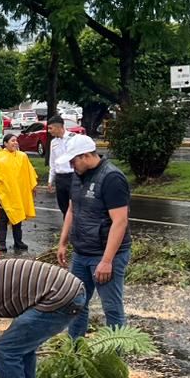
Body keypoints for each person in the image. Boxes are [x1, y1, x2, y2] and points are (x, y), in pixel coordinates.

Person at [56, 135, 130, 339]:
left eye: (74, 161)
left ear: (86, 156)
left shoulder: (111, 178)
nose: (72, 166)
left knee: (112, 308)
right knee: (76, 303)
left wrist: (107, 261)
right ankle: (75, 350)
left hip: (105, 254)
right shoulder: (78, 175)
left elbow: (120, 221)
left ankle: (116, 358)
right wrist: (63, 242)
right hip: (81, 253)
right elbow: (72, 209)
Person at [0, 133, 37, 253]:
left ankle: (18, 241)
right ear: (5, 143)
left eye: (16, 140)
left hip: (18, 192)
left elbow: (29, 173)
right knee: (3, 218)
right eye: (12, 141)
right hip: (3, 193)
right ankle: (1, 243)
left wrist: (32, 188)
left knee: (18, 216)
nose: (15, 143)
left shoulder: (23, 156)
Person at [44, 115, 74, 218]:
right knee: (63, 207)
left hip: (72, 176)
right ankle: (67, 230)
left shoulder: (72, 139)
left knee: (74, 207)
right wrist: (50, 180)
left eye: (50, 128)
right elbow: (53, 162)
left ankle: (74, 231)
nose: (49, 131)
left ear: (58, 127)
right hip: (60, 178)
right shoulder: (53, 142)